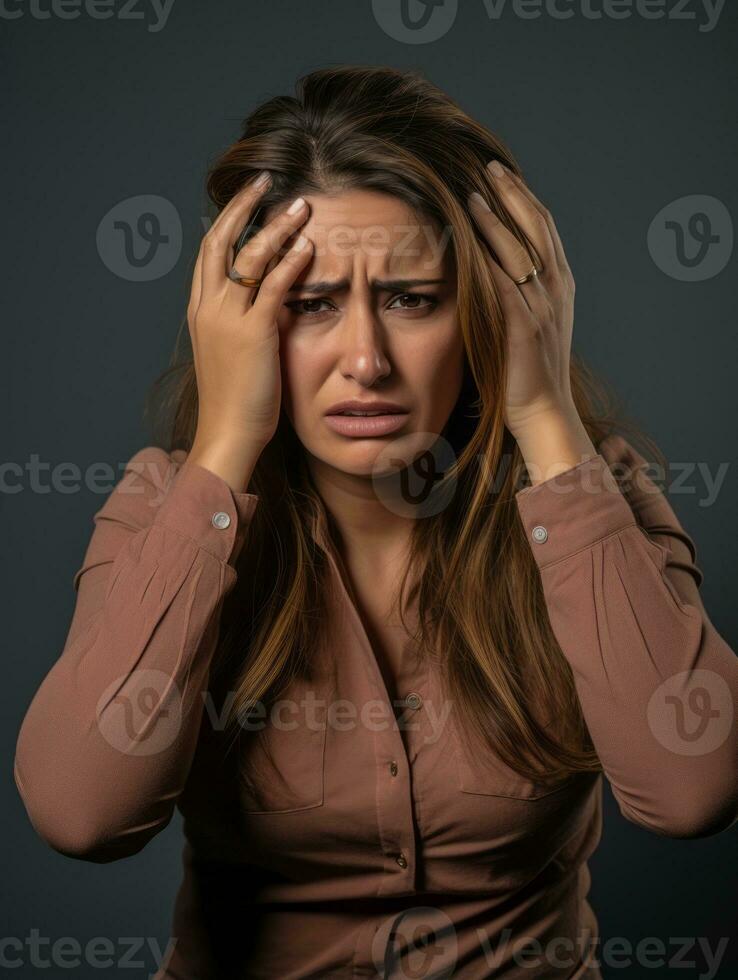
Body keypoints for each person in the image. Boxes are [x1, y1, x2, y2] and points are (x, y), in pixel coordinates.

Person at [14, 65, 738, 979]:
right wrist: (226, 444)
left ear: (487, 310)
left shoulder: (594, 495)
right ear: (240, 324)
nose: (365, 358)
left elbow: (693, 789)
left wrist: (545, 413)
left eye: (411, 298)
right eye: (311, 306)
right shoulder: (167, 510)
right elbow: (80, 816)